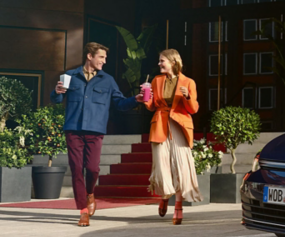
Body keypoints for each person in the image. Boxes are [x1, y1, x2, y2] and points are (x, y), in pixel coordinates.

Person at [52, 42, 144, 227]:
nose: (104, 61)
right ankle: (83, 211)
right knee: (77, 168)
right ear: (89, 56)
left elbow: (119, 103)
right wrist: (56, 92)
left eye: (105, 58)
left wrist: (136, 99)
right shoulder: (69, 76)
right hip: (74, 130)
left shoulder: (108, 80)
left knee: (92, 168)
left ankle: (90, 193)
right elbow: (57, 99)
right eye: (101, 57)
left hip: (95, 130)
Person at [144, 49, 202, 224]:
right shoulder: (156, 80)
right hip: (160, 123)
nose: (159, 64)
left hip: (180, 124)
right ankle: (165, 194)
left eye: (162, 61)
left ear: (173, 62)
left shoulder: (188, 82)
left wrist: (187, 96)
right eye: (160, 61)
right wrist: (144, 98)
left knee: (181, 166)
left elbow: (194, 109)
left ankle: (178, 206)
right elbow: (151, 105)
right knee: (162, 166)